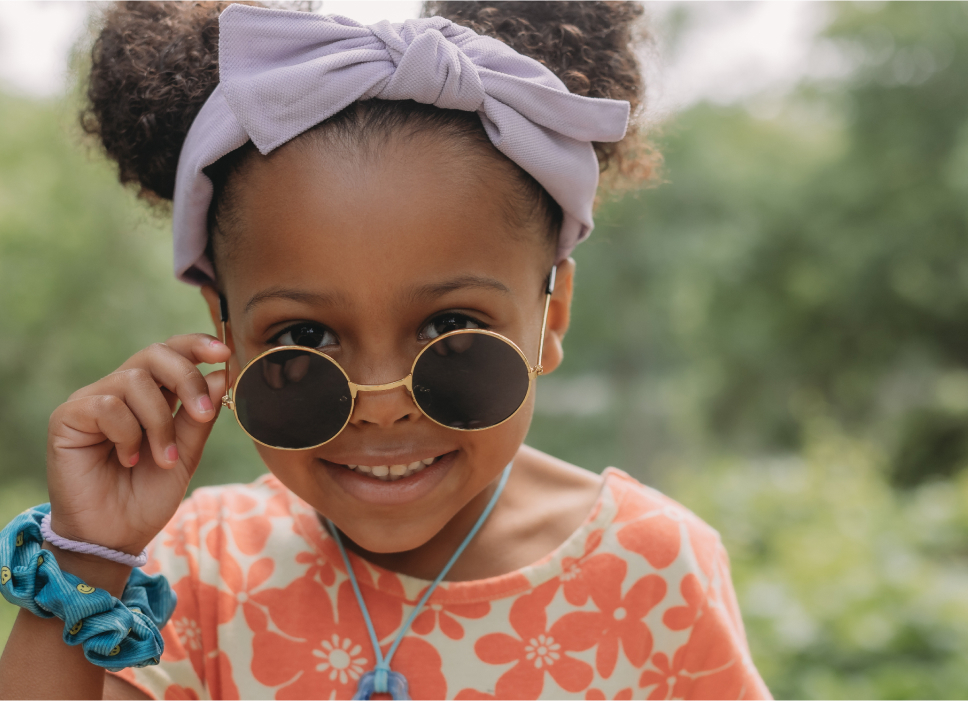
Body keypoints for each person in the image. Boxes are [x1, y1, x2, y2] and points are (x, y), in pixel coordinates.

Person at [0, 2, 770, 699]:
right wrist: (88, 557)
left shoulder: (652, 570)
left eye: (449, 328)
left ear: (552, 315)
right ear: (226, 337)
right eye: (304, 337)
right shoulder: (197, 570)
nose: (382, 403)